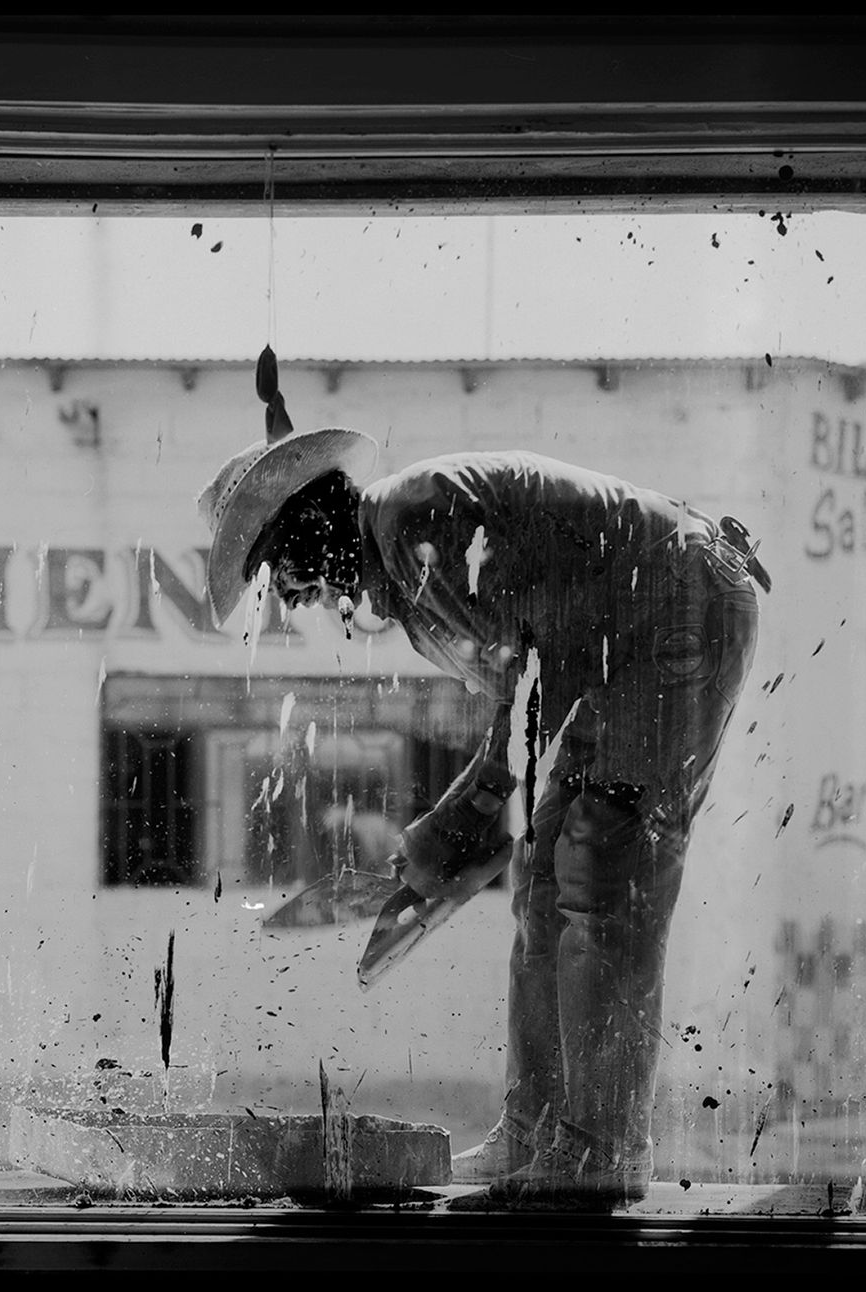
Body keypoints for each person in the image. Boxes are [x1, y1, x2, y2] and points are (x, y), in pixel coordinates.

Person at [197, 348, 765, 1208]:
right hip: (614, 645)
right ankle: (539, 1132)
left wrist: (457, 822)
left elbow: (529, 682)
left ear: (313, 522)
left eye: (283, 567)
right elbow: (530, 692)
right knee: (541, 881)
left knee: (602, 869)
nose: (293, 596)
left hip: (677, 610)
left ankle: (602, 1150)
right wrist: (466, 831)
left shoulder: (410, 519)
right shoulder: (401, 562)